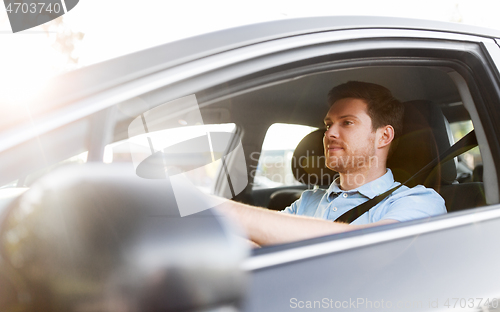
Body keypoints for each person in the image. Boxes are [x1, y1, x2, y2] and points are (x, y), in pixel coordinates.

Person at [216, 81, 446, 246]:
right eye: (328, 125)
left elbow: (368, 248)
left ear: (384, 136)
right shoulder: (307, 202)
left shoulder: (419, 202)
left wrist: (220, 208)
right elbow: (257, 245)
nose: (329, 134)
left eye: (347, 122)